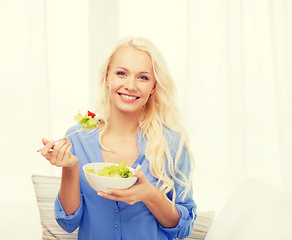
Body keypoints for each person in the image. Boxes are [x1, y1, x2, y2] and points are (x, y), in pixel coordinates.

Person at [40, 36, 197, 240]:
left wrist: (149, 194)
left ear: (154, 87)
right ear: (107, 78)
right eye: (121, 73)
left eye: (143, 77)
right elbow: (68, 222)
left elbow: (183, 229)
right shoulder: (78, 137)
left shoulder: (172, 143)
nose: (130, 85)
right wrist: (69, 169)